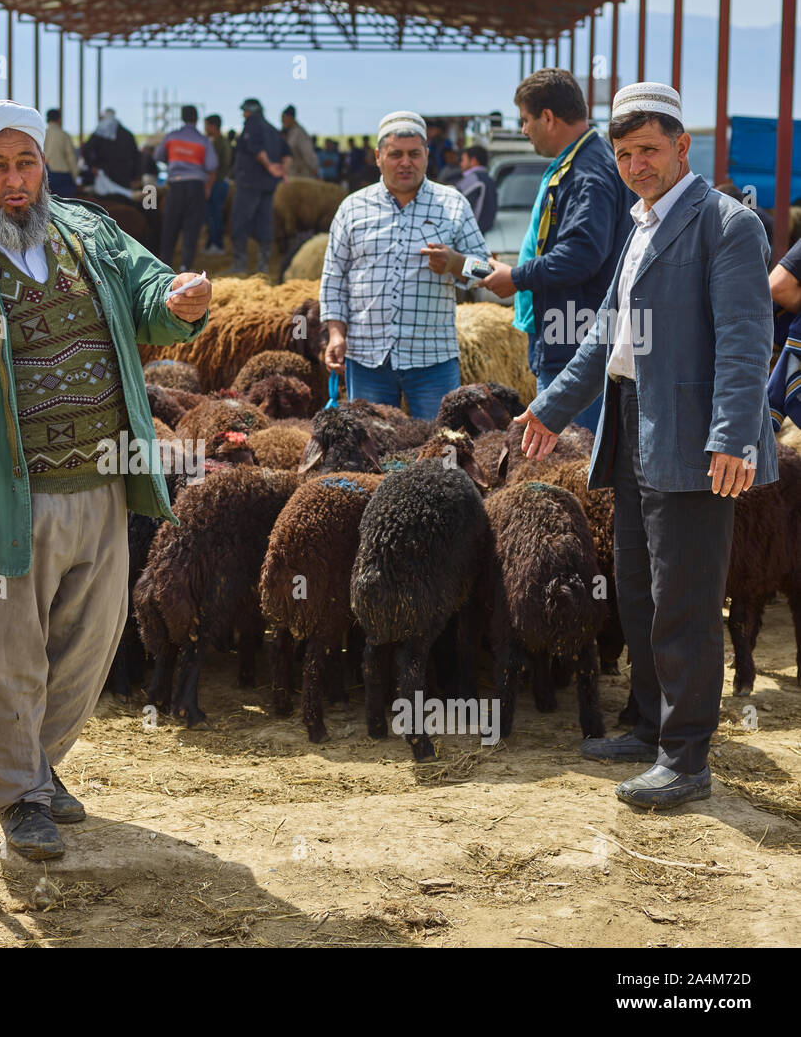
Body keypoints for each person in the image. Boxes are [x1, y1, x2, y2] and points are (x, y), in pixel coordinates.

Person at [0, 99, 211, 861]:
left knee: (87, 644)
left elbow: (152, 300)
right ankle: (20, 798)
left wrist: (180, 301)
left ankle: (37, 766)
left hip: (101, 483)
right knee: (0, 654)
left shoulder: (91, 236)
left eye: (25, 164)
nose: (14, 180)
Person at [514, 82, 778, 809]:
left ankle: (687, 757)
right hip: (631, 423)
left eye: (650, 150)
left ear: (682, 145)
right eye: (625, 153)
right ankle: (648, 723)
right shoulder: (640, 224)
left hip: (694, 439)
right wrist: (549, 405)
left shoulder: (726, 224)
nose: (636, 164)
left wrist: (731, 437)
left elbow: (746, 341)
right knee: (638, 586)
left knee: (685, 599)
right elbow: (605, 336)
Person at [483, 68, 636, 434]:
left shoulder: (586, 173)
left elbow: (582, 253)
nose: (523, 130)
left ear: (548, 118)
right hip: (576, 331)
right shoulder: (587, 160)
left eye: (526, 120)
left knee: (568, 452)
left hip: (573, 338)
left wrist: (516, 278)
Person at [320, 110, 490, 420]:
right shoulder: (353, 208)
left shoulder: (452, 204)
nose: (405, 162)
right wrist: (335, 333)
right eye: (395, 154)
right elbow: (334, 277)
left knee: (439, 450)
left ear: (426, 155)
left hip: (432, 360)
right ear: (378, 156)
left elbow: (485, 271)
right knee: (372, 452)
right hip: (367, 357)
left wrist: (455, 262)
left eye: (414, 153)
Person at [154, 104, 218, 272]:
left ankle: (164, 268)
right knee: (191, 229)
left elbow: (158, 156)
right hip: (196, 187)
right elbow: (212, 166)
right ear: (196, 119)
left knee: (170, 228)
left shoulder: (171, 137)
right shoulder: (203, 140)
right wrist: (207, 189)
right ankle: (185, 268)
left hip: (176, 186)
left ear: (182, 117)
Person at [230, 97, 287, 274]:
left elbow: (256, 148)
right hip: (268, 186)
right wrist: (282, 171)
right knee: (265, 224)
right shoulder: (273, 130)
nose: (243, 114)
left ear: (251, 111)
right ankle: (262, 268)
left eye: (244, 111)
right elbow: (288, 153)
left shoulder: (251, 125)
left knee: (239, 222)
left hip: (249, 183)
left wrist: (269, 165)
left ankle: (240, 266)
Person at [82, 108, 141, 195]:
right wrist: (135, 177)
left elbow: (86, 149)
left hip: (104, 175)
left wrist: (92, 166)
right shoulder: (128, 134)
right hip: (124, 176)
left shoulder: (99, 133)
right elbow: (136, 157)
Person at [202, 113, 231, 255]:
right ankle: (211, 244)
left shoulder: (218, 143)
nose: (205, 128)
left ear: (213, 126)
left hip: (217, 183)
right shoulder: (219, 141)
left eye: (206, 125)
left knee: (215, 215)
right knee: (213, 215)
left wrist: (210, 183)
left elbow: (217, 166)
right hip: (219, 182)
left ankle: (217, 245)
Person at [455, 143, 498, 233]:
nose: (461, 164)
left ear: (473, 161)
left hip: (471, 233)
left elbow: (455, 201)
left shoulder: (474, 179)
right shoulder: (489, 179)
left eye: (463, 160)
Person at [42, 108, 78, 197]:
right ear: (59, 119)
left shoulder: (42, 134)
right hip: (63, 177)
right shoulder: (64, 135)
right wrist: (75, 176)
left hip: (46, 176)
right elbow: (71, 158)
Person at [280, 105, 319, 180]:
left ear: (291, 118)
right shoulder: (286, 133)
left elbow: (308, 153)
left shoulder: (299, 133)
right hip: (291, 175)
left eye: (284, 118)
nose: (282, 122)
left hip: (302, 175)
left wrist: (314, 169)